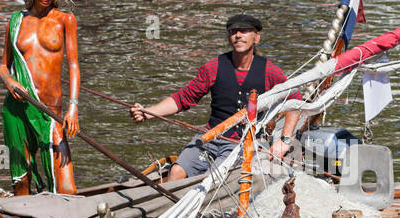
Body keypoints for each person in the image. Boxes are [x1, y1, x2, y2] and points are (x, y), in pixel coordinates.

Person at [129, 14, 301, 181]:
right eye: (233, 31)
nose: (238, 35)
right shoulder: (213, 67)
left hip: (244, 143)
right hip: (209, 136)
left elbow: (294, 101)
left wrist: (284, 140)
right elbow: (183, 98)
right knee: (176, 171)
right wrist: (149, 112)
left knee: (213, 179)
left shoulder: (270, 72)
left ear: (256, 38)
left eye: (245, 31)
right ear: (229, 38)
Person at [0, 0, 81, 196]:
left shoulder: (65, 20)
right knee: (21, 183)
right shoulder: (16, 21)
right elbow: (3, 66)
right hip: (17, 109)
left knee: (68, 189)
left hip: (51, 111)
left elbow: (74, 66)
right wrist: (9, 81)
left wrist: (73, 108)